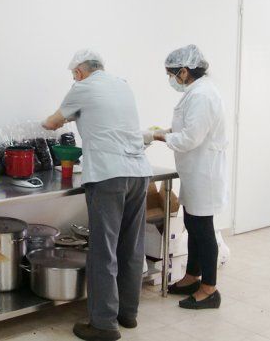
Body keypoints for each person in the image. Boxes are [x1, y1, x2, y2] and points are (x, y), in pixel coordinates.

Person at [43, 49, 152, 341]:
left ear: (79, 72)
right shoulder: (122, 84)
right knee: (131, 246)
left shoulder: (82, 87)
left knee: (104, 250)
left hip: (109, 175)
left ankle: (103, 324)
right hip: (139, 172)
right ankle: (127, 314)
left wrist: (44, 123)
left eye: (73, 75)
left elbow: (53, 122)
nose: (73, 78)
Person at [145, 44, 228, 310]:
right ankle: (191, 278)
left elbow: (191, 138)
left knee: (203, 230)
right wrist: (167, 130)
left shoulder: (202, 95)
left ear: (183, 71)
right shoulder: (196, 93)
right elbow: (190, 127)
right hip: (195, 171)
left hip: (205, 172)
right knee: (192, 224)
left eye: (171, 75)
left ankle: (209, 290)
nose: (171, 80)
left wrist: (159, 136)